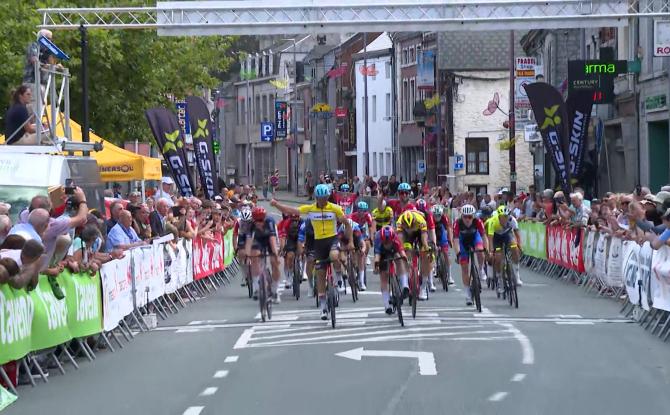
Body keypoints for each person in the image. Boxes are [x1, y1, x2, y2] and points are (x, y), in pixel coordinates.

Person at [271, 184, 352, 320]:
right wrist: (276, 205)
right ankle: (323, 307)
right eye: (319, 198)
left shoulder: (335, 209)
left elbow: (348, 224)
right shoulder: (311, 209)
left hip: (332, 239)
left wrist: (350, 241)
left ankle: (338, 278)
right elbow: (291, 210)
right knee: (320, 274)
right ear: (316, 198)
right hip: (318, 242)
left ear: (328, 197)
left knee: (334, 256)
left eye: (324, 198)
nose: (322, 201)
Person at [243, 207, 281, 303]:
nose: (259, 223)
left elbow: (272, 241)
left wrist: (275, 255)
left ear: (264, 218)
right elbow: (249, 242)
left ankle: (275, 291)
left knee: (274, 263)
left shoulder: (270, 222)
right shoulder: (251, 225)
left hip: (269, 238)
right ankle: (256, 288)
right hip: (258, 239)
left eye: (261, 220)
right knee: (254, 256)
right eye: (257, 221)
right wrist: (247, 256)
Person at [453, 204, 487, 306]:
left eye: (470, 217)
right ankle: (468, 293)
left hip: (474, 239)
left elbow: (484, 237)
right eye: (465, 217)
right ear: (461, 216)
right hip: (463, 242)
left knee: (480, 250)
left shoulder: (478, 222)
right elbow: (455, 240)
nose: (467, 219)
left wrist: (486, 250)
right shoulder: (457, 223)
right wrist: (458, 253)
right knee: (464, 268)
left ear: (473, 216)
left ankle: (481, 269)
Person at [395, 209, 431, 300]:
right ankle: (406, 276)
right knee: (405, 250)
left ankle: (423, 287)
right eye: (407, 226)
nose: (409, 228)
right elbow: (400, 239)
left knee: (426, 253)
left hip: (419, 233)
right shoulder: (400, 222)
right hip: (406, 236)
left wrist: (426, 247)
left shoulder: (420, 220)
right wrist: (402, 250)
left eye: (411, 226)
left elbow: (424, 237)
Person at [373, 225, 409, 314]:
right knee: (383, 276)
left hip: (394, 250)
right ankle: (387, 305)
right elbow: (377, 257)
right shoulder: (378, 239)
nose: (387, 244)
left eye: (389, 242)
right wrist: (376, 267)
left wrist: (405, 259)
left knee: (399, 259)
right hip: (382, 254)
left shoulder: (395, 238)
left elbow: (401, 252)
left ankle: (405, 285)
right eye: (386, 243)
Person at [487, 205, 523, 289]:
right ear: (499, 216)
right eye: (503, 217)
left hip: (507, 235)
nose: (505, 219)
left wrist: (519, 246)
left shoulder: (512, 220)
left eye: (506, 216)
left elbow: (517, 234)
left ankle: (517, 276)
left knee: (514, 247)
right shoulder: (493, 221)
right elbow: (490, 238)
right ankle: (499, 278)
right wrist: (491, 251)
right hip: (496, 237)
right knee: (498, 257)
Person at [349, 200, 375, 290]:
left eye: (364, 211)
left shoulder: (368, 216)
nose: (362, 213)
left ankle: (365, 256)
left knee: (366, 244)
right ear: (358, 210)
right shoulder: (352, 216)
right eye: (360, 211)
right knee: (353, 253)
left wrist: (371, 237)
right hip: (352, 232)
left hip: (362, 232)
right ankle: (353, 264)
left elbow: (371, 227)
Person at [337, 218, 366, 292]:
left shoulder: (356, 230)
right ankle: (343, 277)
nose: (348, 233)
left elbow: (363, 243)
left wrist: (362, 250)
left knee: (360, 256)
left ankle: (361, 281)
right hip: (344, 242)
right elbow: (339, 244)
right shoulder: (341, 231)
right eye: (346, 232)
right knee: (340, 256)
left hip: (356, 242)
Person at [277, 213, 303, 290]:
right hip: (291, 239)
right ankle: (289, 277)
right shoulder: (286, 223)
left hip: (301, 237)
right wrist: (282, 248)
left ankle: (301, 268)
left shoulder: (303, 222)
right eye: (293, 220)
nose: (295, 222)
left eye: (296, 220)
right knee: (290, 256)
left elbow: (307, 235)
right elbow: (283, 237)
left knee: (303, 251)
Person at [431, 204, 455, 285]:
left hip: (441, 234)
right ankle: (434, 266)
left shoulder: (444, 218)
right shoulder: (430, 219)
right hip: (433, 234)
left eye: (439, 216)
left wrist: (450, 240)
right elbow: (428, 232)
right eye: (435, 215)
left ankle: (450, 275)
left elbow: (449, 229)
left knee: (446, 254)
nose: (437, 217)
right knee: (432, 250)